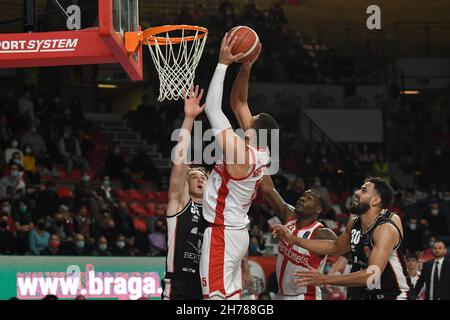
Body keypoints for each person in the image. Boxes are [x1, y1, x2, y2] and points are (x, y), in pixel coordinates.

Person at [199, 33, 278, 301]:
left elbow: (212, 108)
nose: (248, 116)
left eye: (251, 119)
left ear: (253, 130)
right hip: (236, 233)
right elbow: (238, 102)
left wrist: (222, 64)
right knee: (231, 298)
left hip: (222, 233)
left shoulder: (242, 154)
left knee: (215, 300)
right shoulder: (262, 151)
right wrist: (246, 65)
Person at [273, 177, 412, 300]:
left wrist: (326, 278)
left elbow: (371, 275)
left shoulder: (385, 229)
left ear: (375, 200)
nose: (356, 192)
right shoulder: (354, 223)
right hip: (368, 293)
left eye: (363, 190)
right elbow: (335, 247)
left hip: (395, 294)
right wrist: (292, 239)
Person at [161, 85, 208, 300]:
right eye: (195, 176)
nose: (200, 179)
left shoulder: (213, 212)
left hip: (205, 284)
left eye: (204, 178)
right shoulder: (180, 203)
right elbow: (179, 164)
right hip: (179, 283)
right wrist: (189, 119)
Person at [259, 179, 337, 299]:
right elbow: (268, 190)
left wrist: (329, 277)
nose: (302, 198)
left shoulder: (322, 234)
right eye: (302, 196)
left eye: (309, 198)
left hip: (305, 296)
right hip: (282, 294)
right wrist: (259, 162)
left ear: (318, 209)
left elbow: (347, 251)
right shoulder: (289, 216)